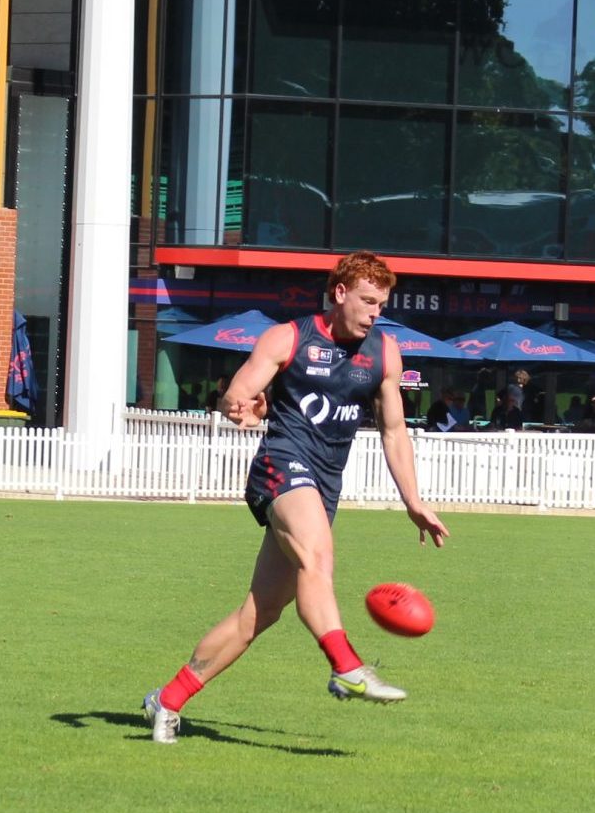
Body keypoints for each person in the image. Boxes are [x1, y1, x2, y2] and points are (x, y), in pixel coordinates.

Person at [140, 251, 449, 745]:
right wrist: (241, 406)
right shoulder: (287, 338)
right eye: (368, 301)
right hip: (281, 464)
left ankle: (167, 700)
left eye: (382, 304)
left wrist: (413, 501)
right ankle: (346, 667)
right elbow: (237, 393)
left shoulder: (385, 353)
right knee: (317, 557)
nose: (376, 312)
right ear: (340, 293)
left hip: (324, 484)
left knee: (258, 614)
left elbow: (394, 431)